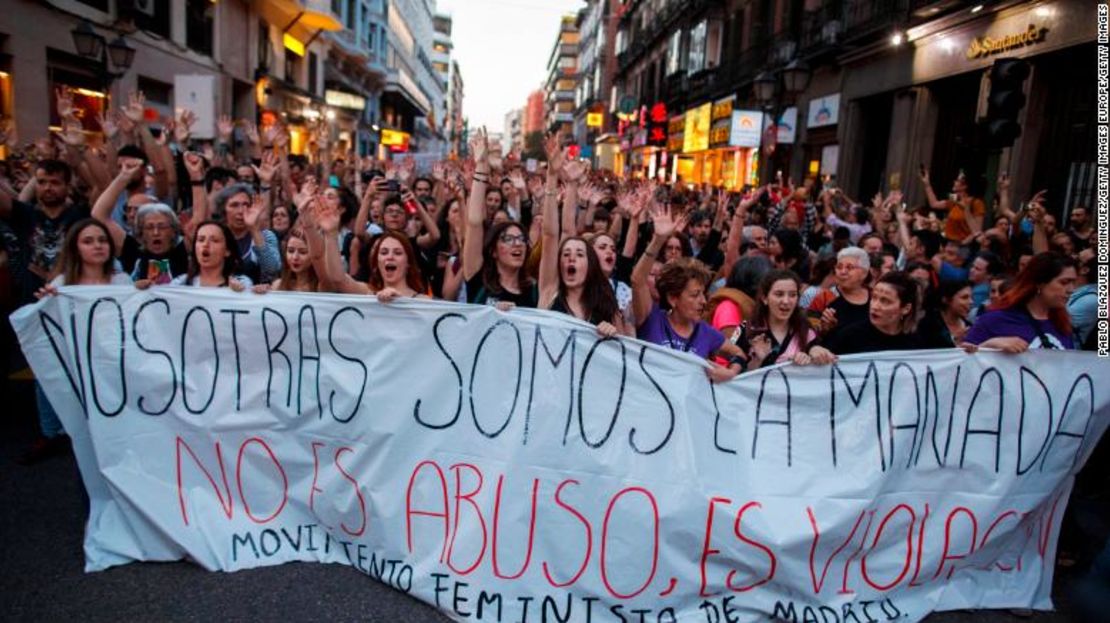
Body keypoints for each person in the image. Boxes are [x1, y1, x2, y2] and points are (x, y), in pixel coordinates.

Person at [22, 218, 132, 464]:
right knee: (88, 445)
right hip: (80, 373)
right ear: (75, 248)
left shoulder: (122, 281)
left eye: (103, 240)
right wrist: (46, 303)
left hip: (115, 371)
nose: (98, 246)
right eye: (88, 241)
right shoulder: (62, 286)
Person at [631, 206, 747, 382]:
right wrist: (658, 240)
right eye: (694, 295)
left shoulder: (705, 332)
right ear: (673, 298)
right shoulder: (652, 319)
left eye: (703, 294)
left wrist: (731, 371)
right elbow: (638, 279)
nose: (703, 301)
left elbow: (739, 354)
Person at [537, 143, 625, 336]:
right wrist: (553, 177)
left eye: (579, 254)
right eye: (566, 254)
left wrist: (612, 332)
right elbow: (553, 234)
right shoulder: (550, 290)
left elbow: (625, 347)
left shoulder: (604, 303)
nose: (571, 258)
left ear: (590, 264)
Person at [461, 127, 536, 308]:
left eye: (520, 239)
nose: (517, 244)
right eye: (508, 239)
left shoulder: (534, 292)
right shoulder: (478, 279)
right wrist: (481, 166)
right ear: (493, 251)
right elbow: (474, 222)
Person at [964, 252, 1077, 352]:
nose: (1071, 289)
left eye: (1073, 283)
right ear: (1040, 282)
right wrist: (989, 346)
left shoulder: (1062, 324)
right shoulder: (993, 320)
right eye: (1064, 282)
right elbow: (962, 361)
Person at [810, 271, 925, 357]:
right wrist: (814, 350)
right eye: (874, 298)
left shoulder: (917, 343)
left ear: (906, 308)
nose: (875, 306)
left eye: (885, 301)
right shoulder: (849, 336)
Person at [744, 269, 823, 368]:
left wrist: (814, 352)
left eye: (792, 295)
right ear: (764, 298)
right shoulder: (747, 329)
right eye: (779, 294)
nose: (786, 301)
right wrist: (757, 360)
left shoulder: (806, 331)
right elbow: (732, 375)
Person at [170, 220, 251, 289]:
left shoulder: (242, 283)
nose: (205, 244)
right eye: (201, 240)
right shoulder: (180, 284)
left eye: (214, 240)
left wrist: (241, 293)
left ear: (227, 251)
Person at [809, 247, 872, 334]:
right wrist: (824, 329)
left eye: (849, 267)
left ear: (864, 273)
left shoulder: (875, 296)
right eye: (839, 267)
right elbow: (809, 332)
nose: (843, 272)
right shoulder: (823, 298)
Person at [916, 279, 972, 348]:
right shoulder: (926, 325)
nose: (971, 302)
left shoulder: (970, 327)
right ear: (946, 299)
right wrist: (955, 341)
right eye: (964, 298)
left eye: (971, 297)